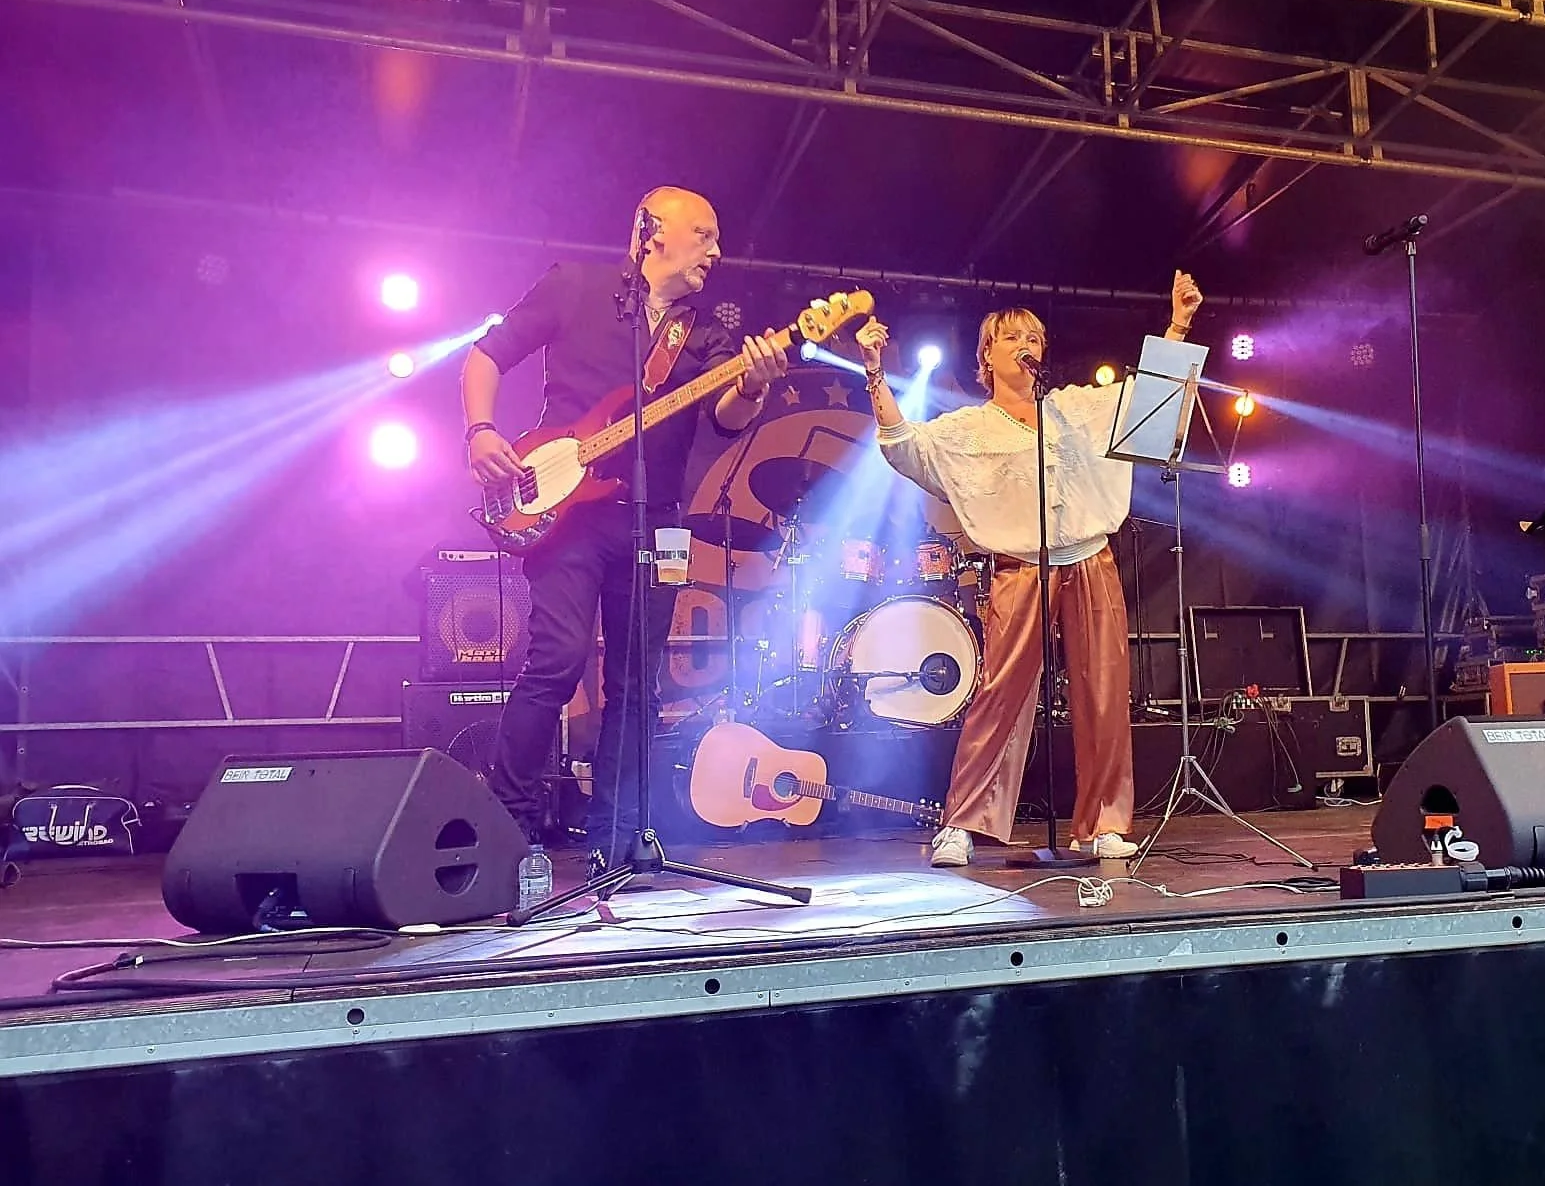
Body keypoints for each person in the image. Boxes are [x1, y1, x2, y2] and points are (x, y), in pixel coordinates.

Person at [462, 187, 792, 869]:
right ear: (652, 231)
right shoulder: (573, 287)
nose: (717, 251)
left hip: (660, 521)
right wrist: (480, 431)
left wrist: (753, 386)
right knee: (554, 661)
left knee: (639, 682)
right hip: (570, 516)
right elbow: (486, 356)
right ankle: (506, 825)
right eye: (704, 234)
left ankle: (617, 839)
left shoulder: (705, 333)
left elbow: (726, 421)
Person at [857, 271, 1205, 865]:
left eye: (1035, 338)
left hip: (1089, 557)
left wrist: (1177, 326)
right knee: (1000, 691)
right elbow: (902, 446)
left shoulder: (1076, 408)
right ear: (987, 356)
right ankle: (964, 821)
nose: (1026, 346)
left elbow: (1152, 405)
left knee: (1103, 690)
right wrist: (873, 370)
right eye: (1012, 337)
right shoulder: (967, 428)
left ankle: (1102, 822)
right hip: (1020, 567)